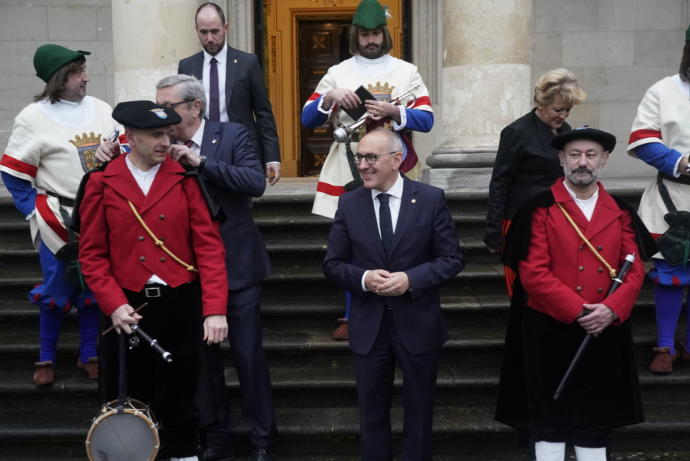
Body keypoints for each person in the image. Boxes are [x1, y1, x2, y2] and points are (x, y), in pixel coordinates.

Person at [78, 100, 229, 460]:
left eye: (167, 133)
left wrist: (215, 310)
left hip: (180, 302)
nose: (166, 141)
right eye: (155, 134)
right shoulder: (102, 182)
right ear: (129, 137)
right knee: (131, 399)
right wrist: (114, 305)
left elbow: (209, 251)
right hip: (128, 307)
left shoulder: (185, 179)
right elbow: (92, 255)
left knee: (183, 397)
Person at [495, 128, 654, 461]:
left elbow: (634, 267)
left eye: (591, 155)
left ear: (605, 159)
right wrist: (582, 312)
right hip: (549, 331)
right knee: (548, 420)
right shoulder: (538, 209)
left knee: (595, 421)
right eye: (575, 154)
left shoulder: (621, 211)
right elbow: (533, 273)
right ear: (561, 159)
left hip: (604, 331)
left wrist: (610, 310)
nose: (583, 162)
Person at [322, 128, 464, 461]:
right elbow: (332, 264)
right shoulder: (349, 202)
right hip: (369, 327)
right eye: (360, 157)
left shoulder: (429, 199)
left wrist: (411, 279)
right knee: (371, 416)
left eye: (371, 157)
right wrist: (365, 277)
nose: (363, 165)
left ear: (396, 160)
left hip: (418, 325)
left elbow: (452, 259)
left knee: (419, 413)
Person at [302, 0, 433, 340]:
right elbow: (307, 118)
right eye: (365, 34)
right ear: (356, 35)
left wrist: (395, 110)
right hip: (349, 162)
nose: (371, 40)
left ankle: (400, 303)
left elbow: (428, 119)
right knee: (354, 240)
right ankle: (352, 315)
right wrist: (329, 96)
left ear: (384, 34)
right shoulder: (338, 72)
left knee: (400, 236)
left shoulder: (406, 71)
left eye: (376, 33)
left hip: (394, 161)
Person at [0, 44, 116, 386]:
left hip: (100, 210)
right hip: (55, 217)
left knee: (95, 284)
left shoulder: (102, 109)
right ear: (61, 77)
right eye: (80, 72)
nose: (86, 78)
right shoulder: (32, 117)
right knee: (56, 286)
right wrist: (33, 210)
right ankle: (46, 358)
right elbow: (12, 173)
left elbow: (122, 152)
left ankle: (89, 354)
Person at [485, 68, 585, 295]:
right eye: (558, 110)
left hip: (559, 217)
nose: (563, 116)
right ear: (541, 103)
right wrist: (494, 230)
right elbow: (500, 182)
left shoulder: (565, 131)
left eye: (568, 110)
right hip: (522, 219)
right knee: (525, 286)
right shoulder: (516, 132)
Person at [628, 25, 690, 374]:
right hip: (672, 197)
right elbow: (641, 139)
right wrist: (680, 163)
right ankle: (665, 344)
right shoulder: (663, 91)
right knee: (670, 273)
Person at [179, 2, 282, 185]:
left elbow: (263, 112)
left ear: (225, 28)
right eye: (203, 32)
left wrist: (272, 157)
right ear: (196, 30)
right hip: (200, 152)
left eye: (215, 31)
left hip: (240, 150)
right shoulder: (187, 66)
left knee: (240, 209)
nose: (210, 38)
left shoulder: (247, 62)